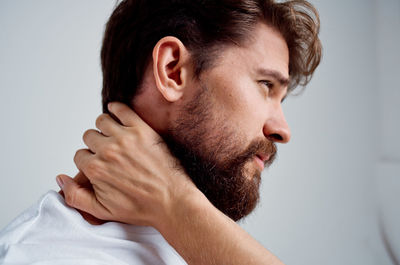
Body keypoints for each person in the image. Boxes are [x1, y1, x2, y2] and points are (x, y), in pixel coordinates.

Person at [0, 0, 321, 264]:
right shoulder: (42, 255)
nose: (283, 130)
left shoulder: (199, 245)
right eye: (266, 85)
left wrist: (174, 202)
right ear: (173, 71)